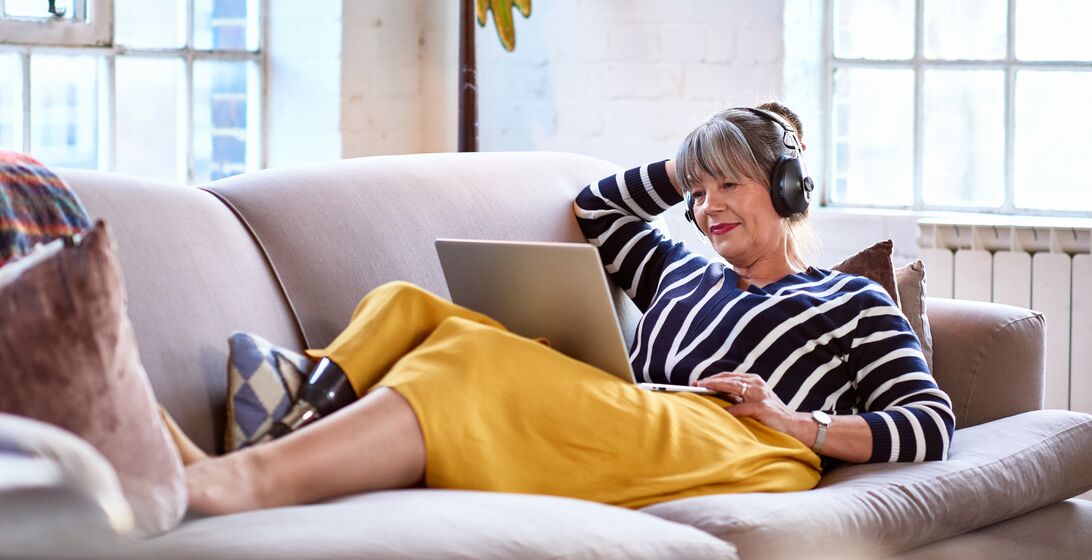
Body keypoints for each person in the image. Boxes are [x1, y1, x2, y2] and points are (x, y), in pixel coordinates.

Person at [181, 103, 955, 516]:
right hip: (641, 412)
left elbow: (930, 423)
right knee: (412, 307)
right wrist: (683, 161)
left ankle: (234, 482)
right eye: (698, 192)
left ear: (785, 192)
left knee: (470, 360)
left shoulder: (846, 299)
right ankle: (298, 407)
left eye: (730, 186)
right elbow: (598, 211)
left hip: (746, 441)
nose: (708, 208)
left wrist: (795, 422)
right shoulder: (679, 276)